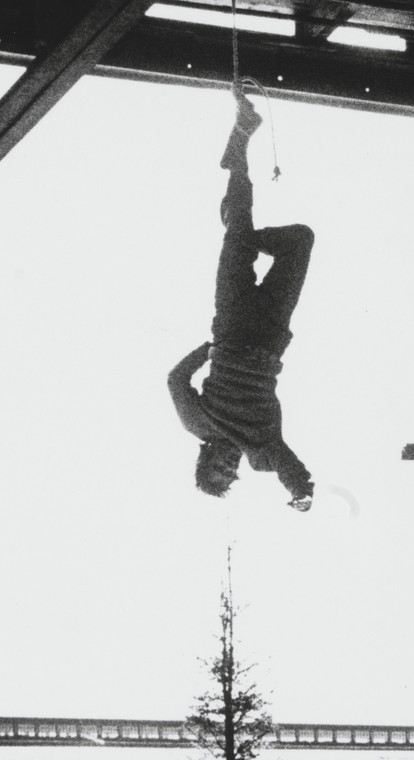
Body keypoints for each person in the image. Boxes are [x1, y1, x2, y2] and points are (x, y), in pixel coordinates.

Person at [168, 91, 316, 510]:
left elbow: (176, 380)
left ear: (205, 460)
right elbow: (290, 467)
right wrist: (301, 492)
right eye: (231, 475)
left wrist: (209, 349)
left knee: (240, 224)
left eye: (219, 469)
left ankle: (239, 143)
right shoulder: (261, 452)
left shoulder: (195, 423)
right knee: (300, 240)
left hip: (231, 324)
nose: (231, 467)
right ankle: (238, 228)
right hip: (269, 332)